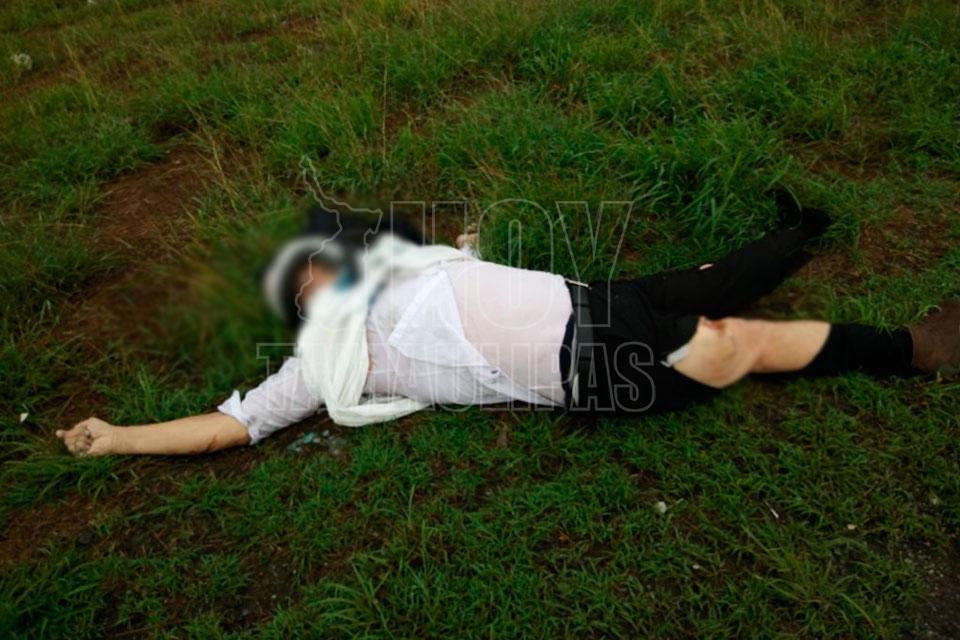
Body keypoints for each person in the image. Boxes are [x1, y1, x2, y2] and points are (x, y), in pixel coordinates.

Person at [56, 196, 960, 457]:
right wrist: (120, 436)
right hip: (599, 367)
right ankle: (915, 351)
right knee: (743, 343)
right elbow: (233, 424)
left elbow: (459, 265)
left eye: (323, 263)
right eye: (307, 285)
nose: (323, 279)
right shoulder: (327, 360)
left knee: (714, 280)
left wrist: (467, 247)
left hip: (596, 297)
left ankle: (800, 233)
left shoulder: (402, 271)